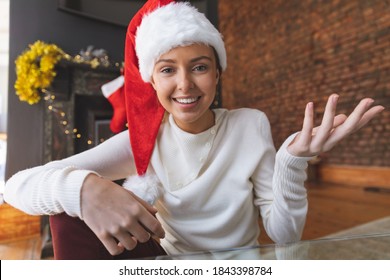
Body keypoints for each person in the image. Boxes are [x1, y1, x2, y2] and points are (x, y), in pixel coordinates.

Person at [4, 0, 384, 259]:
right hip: (175, 268)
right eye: (168, 69)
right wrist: (85, 188)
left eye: (200, 67)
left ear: (217, 73)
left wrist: (292, 161)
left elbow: (285, 236)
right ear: (152, 79)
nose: (185, 84)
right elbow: (15, 186)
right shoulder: (142, 141)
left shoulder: (250, 124)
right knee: (65, 210)